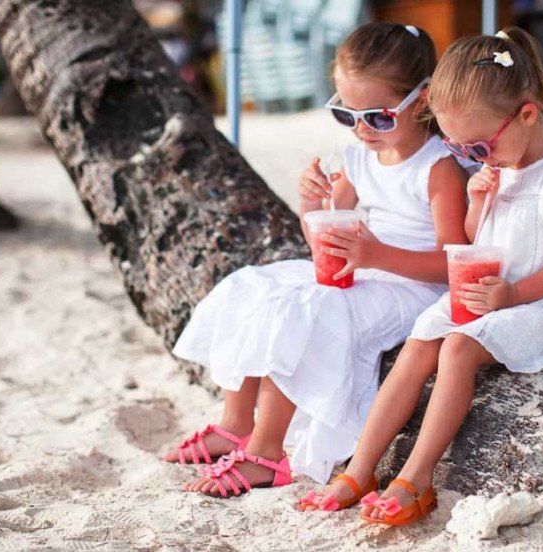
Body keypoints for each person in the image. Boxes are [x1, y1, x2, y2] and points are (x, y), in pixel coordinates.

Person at [307, 27, 543, 525]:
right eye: (461, 150)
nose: (473, 159)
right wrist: (476, 203)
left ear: (528, 113)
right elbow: (473, 239)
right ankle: (361, 467)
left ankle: (417, 476)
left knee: (457, 347)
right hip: (493, 287)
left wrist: (513, 293)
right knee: (419, 343)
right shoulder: (503, 157)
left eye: (477, 148)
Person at [167, 22, 473, 500]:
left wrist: (376, 254)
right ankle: (234, 423)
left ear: (423, 98)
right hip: (368, 267)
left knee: (307, 312)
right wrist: (313, 204)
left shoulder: (438, 169)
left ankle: (269, 454)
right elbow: (325, 240)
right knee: (252, 285)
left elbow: (452, 265)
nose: (363, 129)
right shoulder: (356, 159)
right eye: (347, 114)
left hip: (414, 285)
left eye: (379, 116)